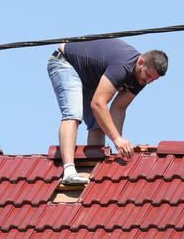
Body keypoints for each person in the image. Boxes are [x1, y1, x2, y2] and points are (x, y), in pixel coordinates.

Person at [46, 39, 168, 184]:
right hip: (66, 63)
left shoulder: (141, 78)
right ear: (140, 63)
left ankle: (93, 170)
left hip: (91, 78)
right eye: (148, 76)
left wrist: (119, 147)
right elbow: (98, 104)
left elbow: (119, 107)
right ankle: (69, 171)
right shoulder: (123, 66)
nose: (148, 81)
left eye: (153, 80)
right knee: (73, 114)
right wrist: (117, 139)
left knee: (100, 125)